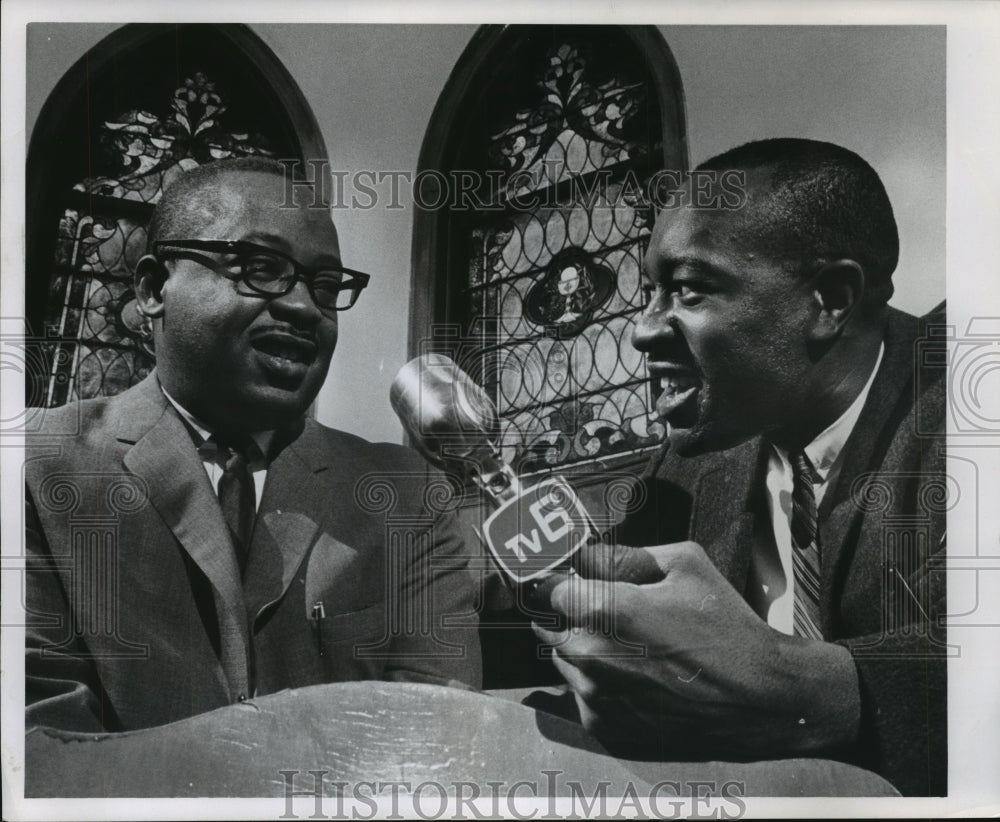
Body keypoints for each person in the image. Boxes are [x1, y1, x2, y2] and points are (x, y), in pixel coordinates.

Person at [533, 139, 946, 796]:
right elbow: (615, 647)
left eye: (690, 289)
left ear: (830, 299)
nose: (641, 331)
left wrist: (819, 694)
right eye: (651, 291)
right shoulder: (694, 453)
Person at [25, 157, 482, 733]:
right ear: (152, 288)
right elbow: (39, 752)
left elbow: (436, 736)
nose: (302, 307)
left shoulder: (405, 493)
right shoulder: (37, 464)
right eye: (260, 267)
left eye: (324, 286)